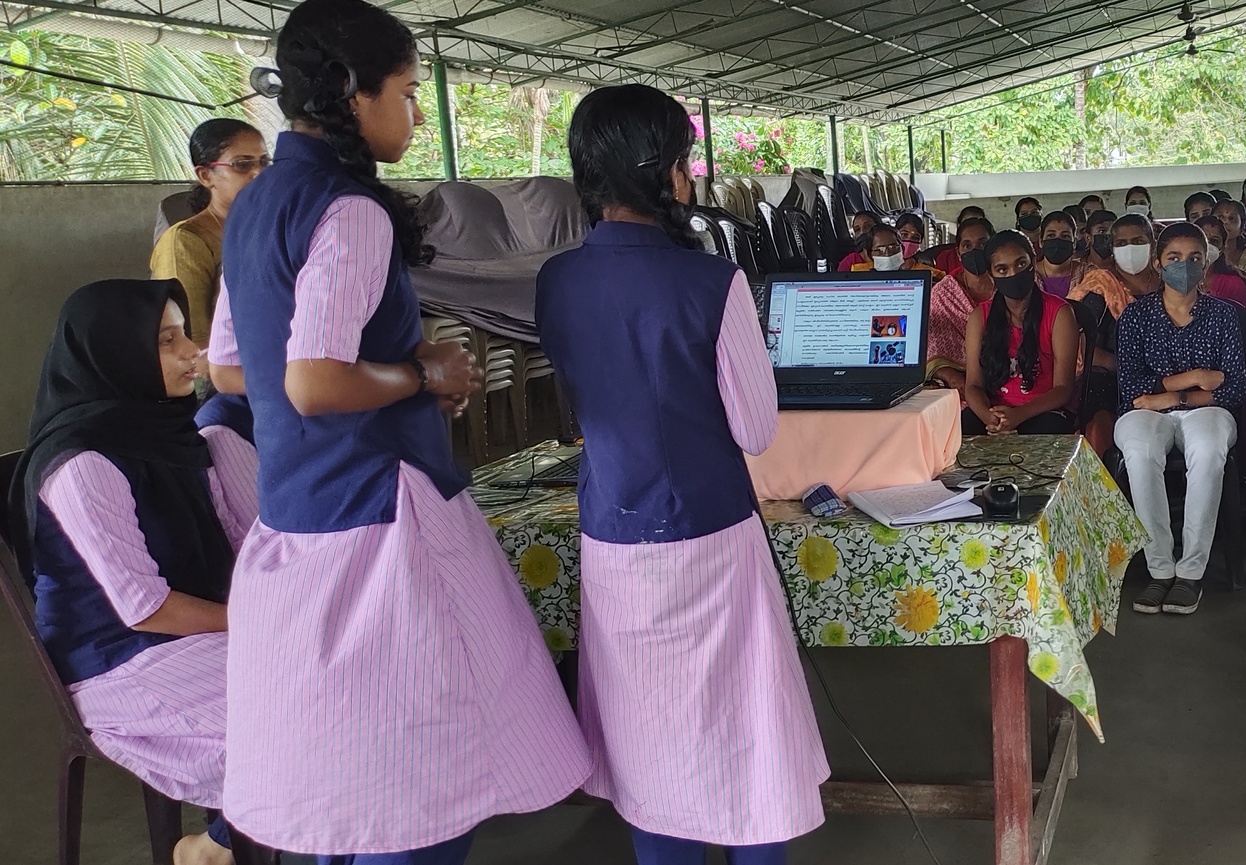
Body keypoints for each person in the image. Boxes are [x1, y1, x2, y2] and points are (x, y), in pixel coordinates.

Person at [214, 1, 592, 860]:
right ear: (355, 93)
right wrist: (422, 376)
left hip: (297, 516)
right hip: (379, 521)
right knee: (426, 776)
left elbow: (234, 368)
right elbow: (313, 380)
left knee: (348, 775)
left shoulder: (257, 203)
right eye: (409, 92)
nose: (417, 114)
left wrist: (390, 366)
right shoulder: (349, 211)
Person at [535, 83, 828, 865]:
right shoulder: (711, 283)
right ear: (664, 170)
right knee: (746, 732)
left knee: (649, 735)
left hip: (612, 532)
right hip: (709, 534)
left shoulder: (556, 280)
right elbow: (755, 428)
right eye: (685, 160)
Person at [9, 280, 257, 865]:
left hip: (201, 633)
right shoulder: (82, 463)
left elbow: (246, 543)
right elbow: (144, 608)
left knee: (344, 676)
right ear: (114, 356)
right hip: (120, 660)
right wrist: (259, 621)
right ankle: (218, 847)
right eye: (167, 341)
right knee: (307, 708)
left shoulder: (176, 433)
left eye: (185, 334)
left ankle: (222, 845)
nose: (193, 352)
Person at [1116, 222, 1246, 616]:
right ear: (1158, 263)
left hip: (1206, 412)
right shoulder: (1136, 315)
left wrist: (1171, 396)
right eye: (1174, 258)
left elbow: (1233, 387)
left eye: (1194, 258)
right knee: (1140, 453)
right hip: (1145, 412)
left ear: (1205, 264)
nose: (1184, 266)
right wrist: (1195, 378)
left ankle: (1190, 572)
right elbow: (1131, 386)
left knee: (1207, 451)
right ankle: (1160, 569)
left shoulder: (1223, 315)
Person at [151, 120, 269, 346]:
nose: (258, 173)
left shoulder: (270, 228)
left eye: (264, 162)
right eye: (242, 164)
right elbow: (190, 339)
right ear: (205, 175)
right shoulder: (184, 241)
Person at [963, 231, 1080, 434]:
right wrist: (990, 418)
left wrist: (1018, 415)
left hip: (1043, 411)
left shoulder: (1060, 313)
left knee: (1050, 429)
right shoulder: (979, 316)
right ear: (991, 275)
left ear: (1033, 262)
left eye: (1020, 264)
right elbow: (973, 385)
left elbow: (1063, 389)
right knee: (962, 428)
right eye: (1002, 269)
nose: (1013, 274)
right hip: (995, 411)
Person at [1070, 214, 1163, 454]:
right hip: (1111, 380)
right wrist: (1122, 365)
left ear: (1152, 243)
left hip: (1166, 376)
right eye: (1122, 243)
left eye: (1138, 241)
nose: (1130, 248)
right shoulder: (1100, 286)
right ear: (1111, 248)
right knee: (1098, 424)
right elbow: (1081, 343)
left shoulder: (1169, 284)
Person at [927, 217, 997, 389]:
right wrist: (958, 381)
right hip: (960, 381)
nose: (975, 250)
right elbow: (933, 350)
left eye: (982, 244)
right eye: (967, 245)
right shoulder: (943, 293)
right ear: (958, 253)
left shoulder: (1010, 283)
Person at [1195, 214, 1246, 309]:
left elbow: (1244, 316)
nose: (1207, 246)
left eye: (1214, 241)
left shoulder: (1235, 285)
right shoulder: (1179, 280)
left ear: (1222, 247)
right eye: (1202, 241)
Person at [851, 223, 945, 279]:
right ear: (870, 254)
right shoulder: (858, 275)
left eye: (893, 247)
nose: (887, 253)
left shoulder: (926, 273)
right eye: (880, 250)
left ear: (901, 249)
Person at [1034, 211, 1081, 298]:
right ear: (1041, 241)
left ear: (1074, 243)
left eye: (1065, 236)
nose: (1057, 241)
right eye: (1051, 235)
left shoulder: (1088, 275)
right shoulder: (1028, 275)